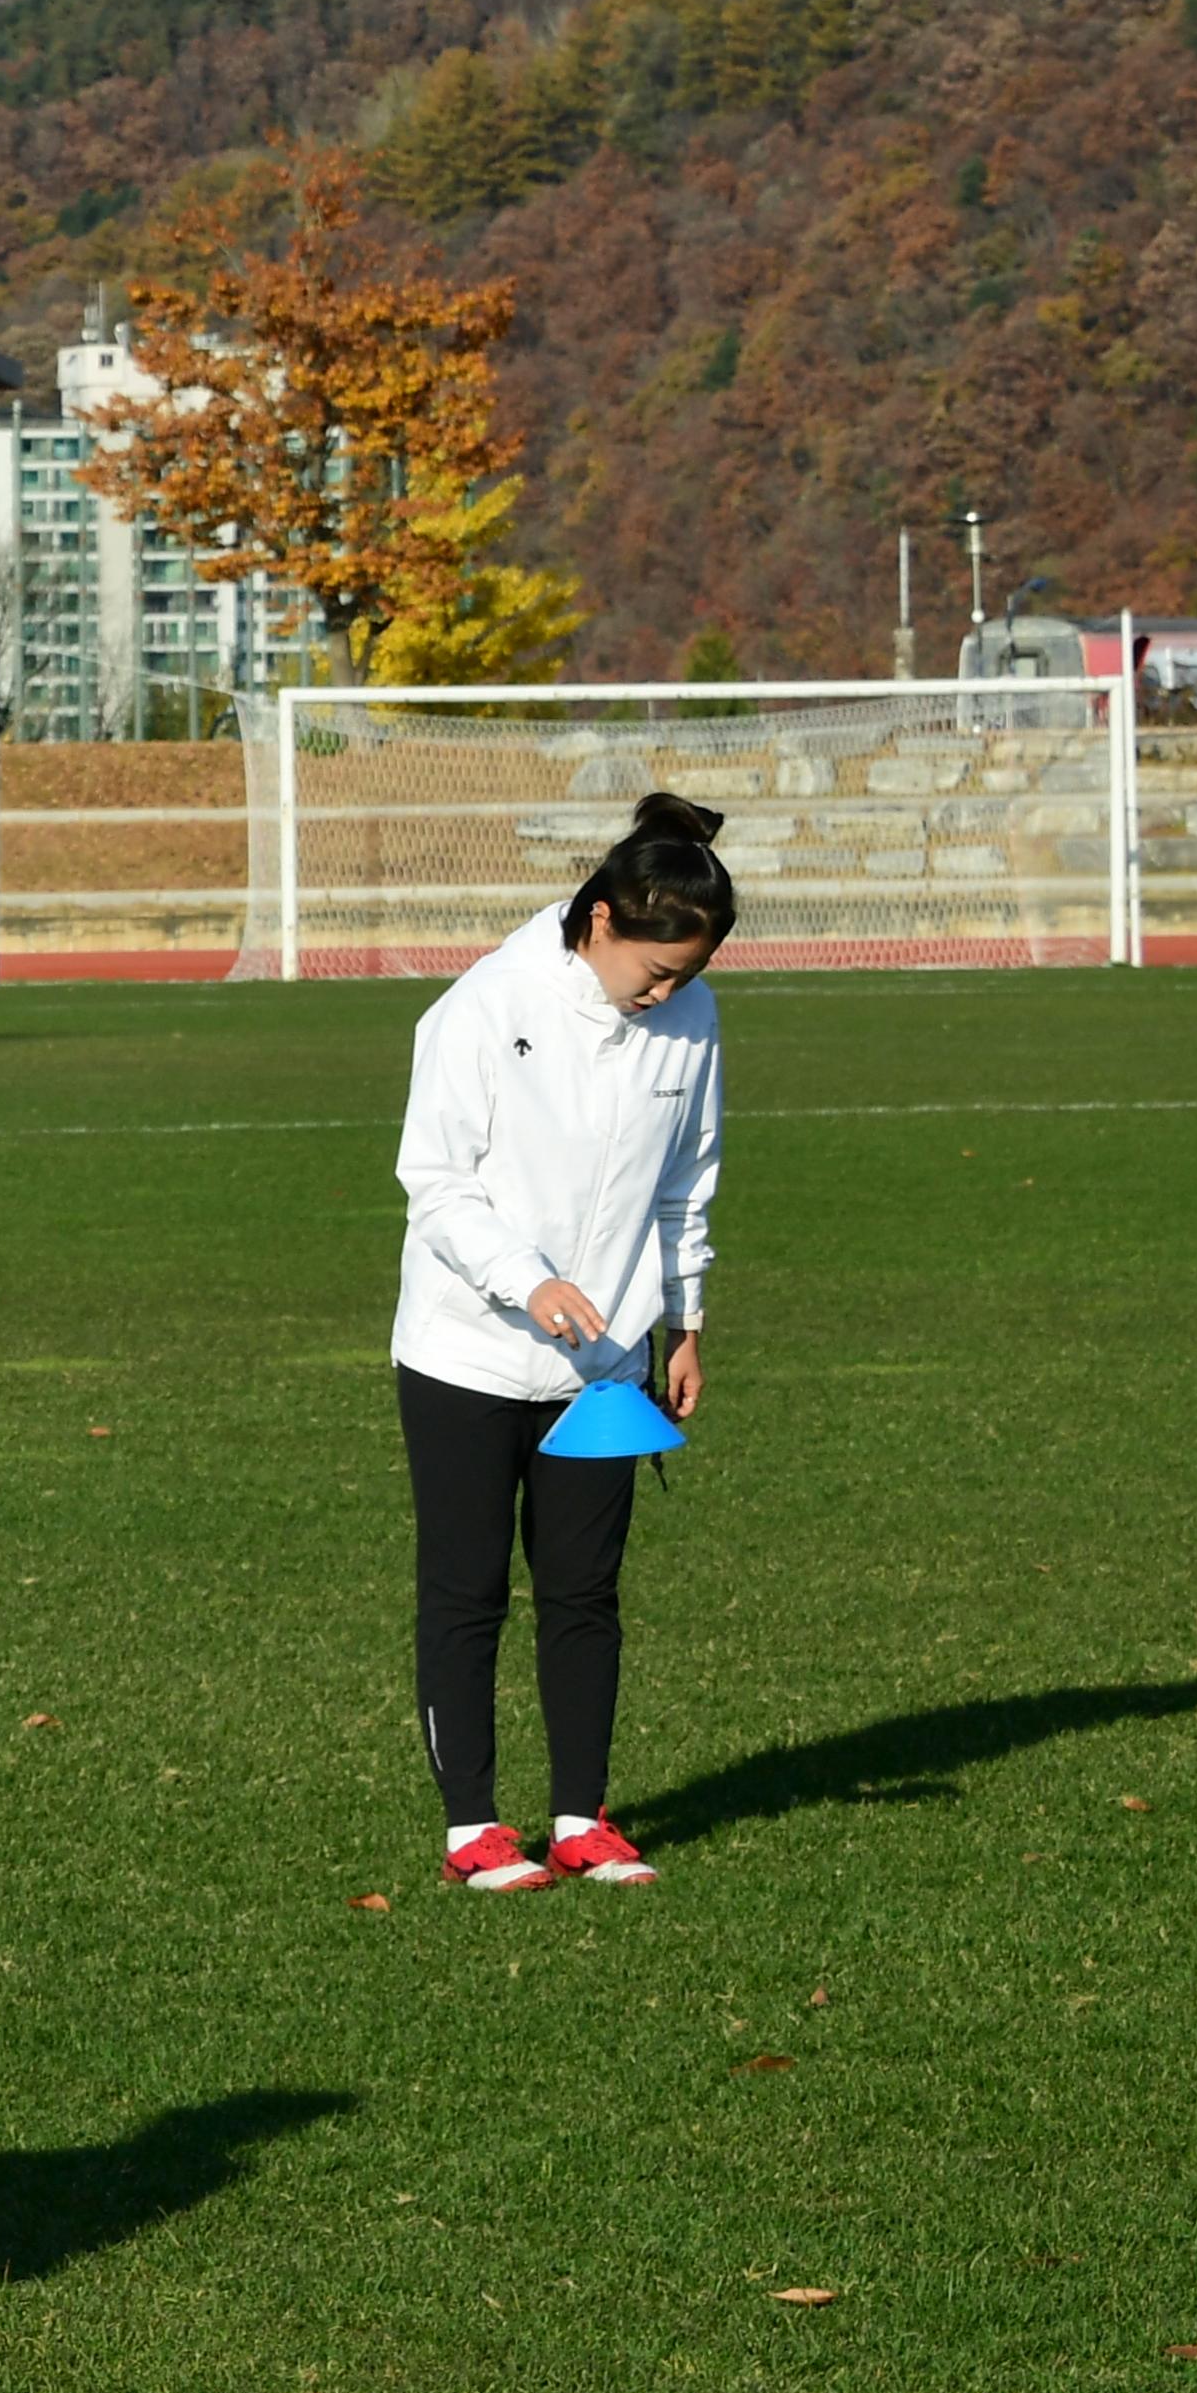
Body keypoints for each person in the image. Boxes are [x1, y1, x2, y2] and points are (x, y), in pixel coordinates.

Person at [392, 800, 734, 1892]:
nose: (666, 993)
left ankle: (584, 1818)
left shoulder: (694, 1020)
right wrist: (525, 1281)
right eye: (655, 970)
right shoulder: (484, 1006)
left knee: (586, 1590)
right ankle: (473, 1832)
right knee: (469, 1587)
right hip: (467, 1355)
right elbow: (434, 1182)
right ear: (596, 920)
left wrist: (684, 1320)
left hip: (608, 1364)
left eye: (686, 974)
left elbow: (689, 1183)